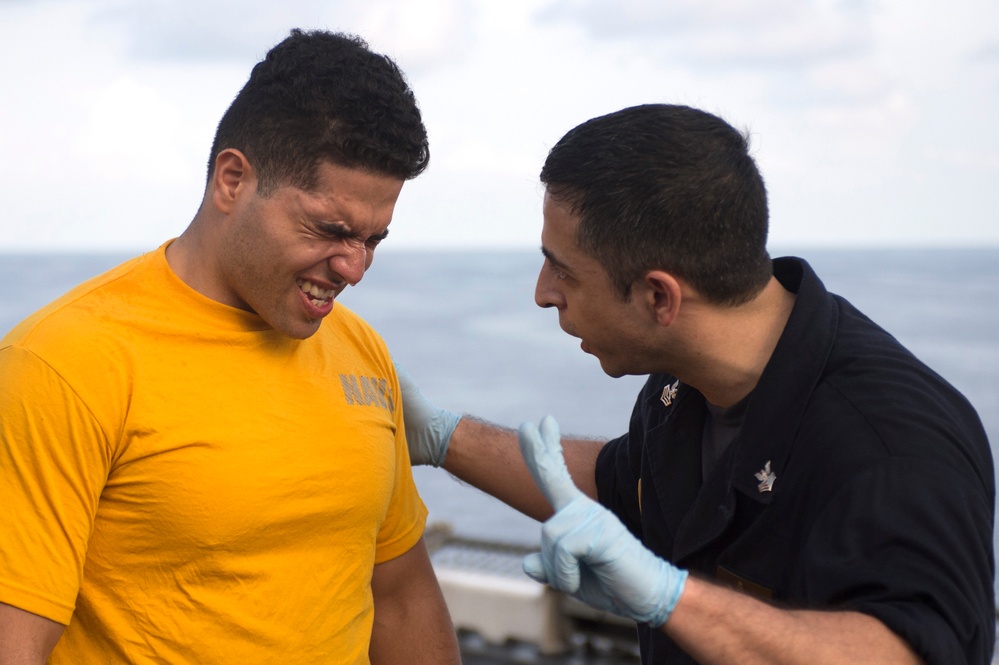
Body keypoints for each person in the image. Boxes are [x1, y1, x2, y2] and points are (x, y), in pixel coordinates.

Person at [399, 104, 995, 664]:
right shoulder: (682, 389)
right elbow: (622, 485)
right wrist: (442, 437)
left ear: (659, 296)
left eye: (564, 270)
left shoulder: (891, 446)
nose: (542, 292)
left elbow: (908, 652)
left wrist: (669, 598)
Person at [0, 29, 460, 664]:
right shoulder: (66, 361)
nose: (354, 268)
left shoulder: (362, 351)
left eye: (374, 239)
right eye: (330, 229)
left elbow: (402, 595)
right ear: (233, 180)